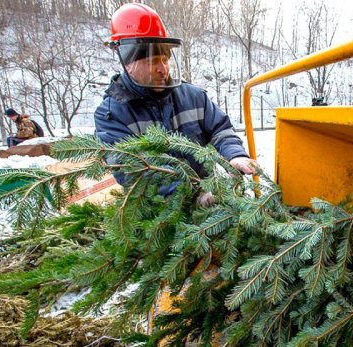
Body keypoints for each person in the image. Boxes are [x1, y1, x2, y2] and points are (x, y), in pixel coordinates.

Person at [94, 3, 257, 203]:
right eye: (153, 61)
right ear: (127, 62)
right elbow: (134, 172)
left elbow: (220, 130)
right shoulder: (111, 116)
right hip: (157, 213)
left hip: (208, 195)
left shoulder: (194, 97)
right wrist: (193, 196)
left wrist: (234, 155)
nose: (163, 69)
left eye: (165, 60)